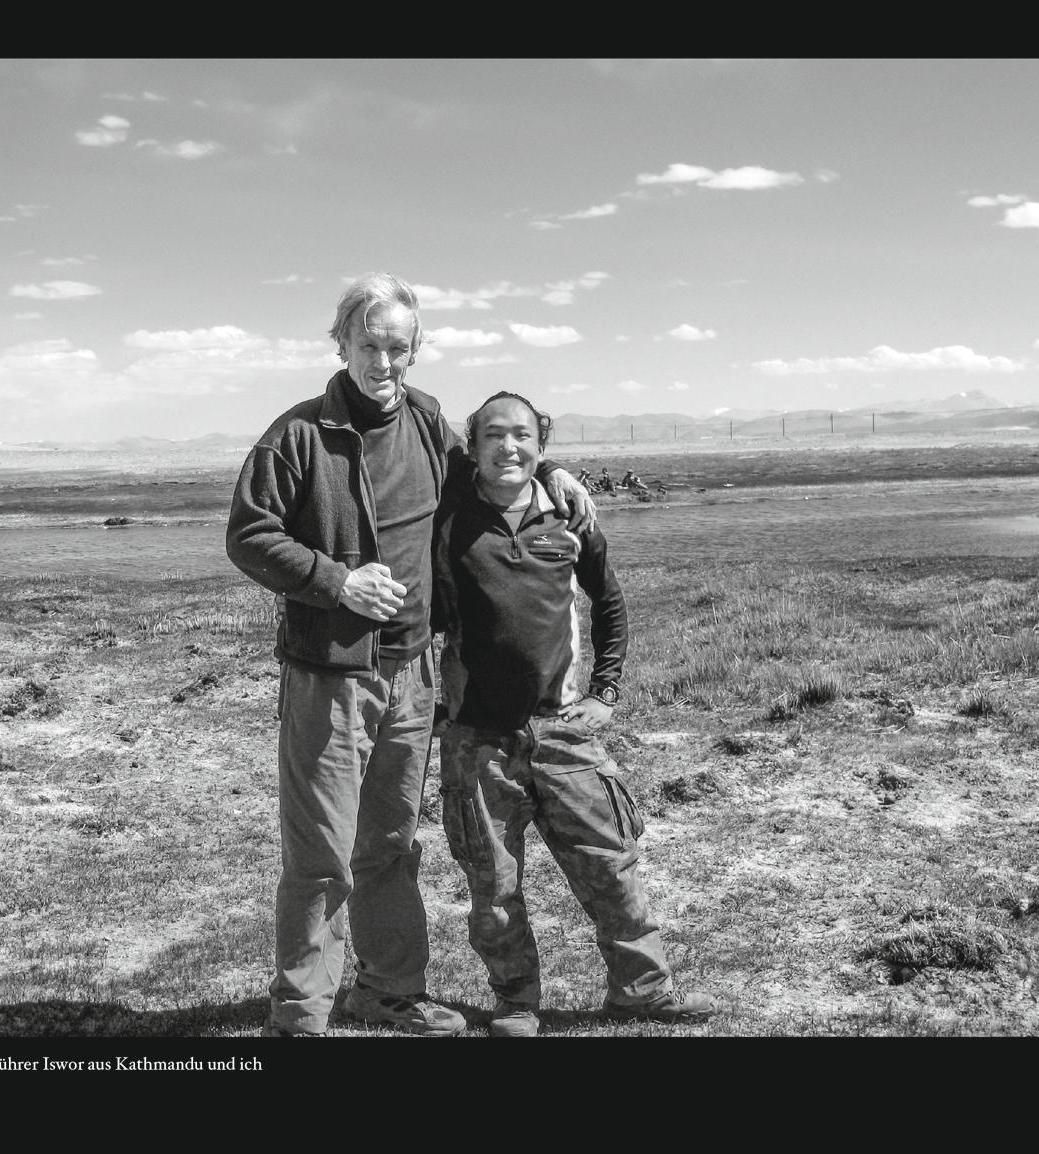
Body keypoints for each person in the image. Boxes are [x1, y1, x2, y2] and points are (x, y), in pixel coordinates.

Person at [226, 273, 595, 1037]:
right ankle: (299, 1014)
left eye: (399, 347)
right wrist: (335, 581)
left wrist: (550, 472)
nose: (384, 362)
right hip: (332, 673)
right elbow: (249, 535)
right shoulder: (297, 436)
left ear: (415, 351)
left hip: (415, 671)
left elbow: (482, 477)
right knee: (321, 851)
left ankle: (386, 990)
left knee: (389, 842)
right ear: (342, 344)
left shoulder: (427, 423)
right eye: (370, 345)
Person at [432, 390, 719, 1037]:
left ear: (543, 443)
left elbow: (609, 604)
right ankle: (516, 1003)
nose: (509, 447)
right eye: (494, 435)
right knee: (494, 886)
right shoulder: (449, 517)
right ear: (472, 447)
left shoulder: (566, 512)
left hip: (564, 731)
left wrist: (604, 692)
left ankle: (643, 992)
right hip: (479, 739)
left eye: (524, 436)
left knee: (612, 866)